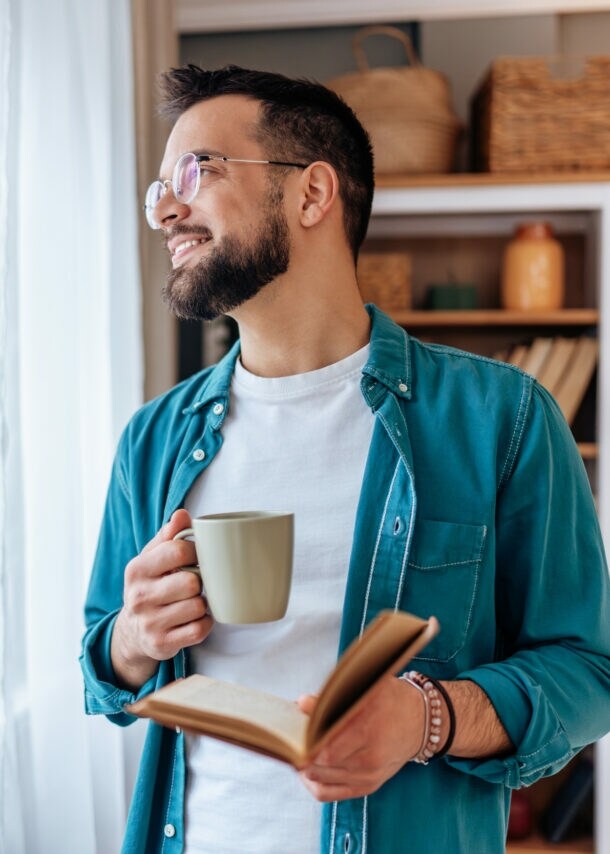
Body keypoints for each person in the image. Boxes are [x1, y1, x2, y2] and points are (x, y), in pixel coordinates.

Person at [80, 64, 610, 854]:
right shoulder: (152, 438)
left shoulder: (503, 418)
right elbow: (105, 668)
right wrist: (131, 640)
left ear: (312, 194)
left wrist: (427, 718)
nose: (164, 206)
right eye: (158, 185)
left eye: (196, 171)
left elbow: (587, 674)